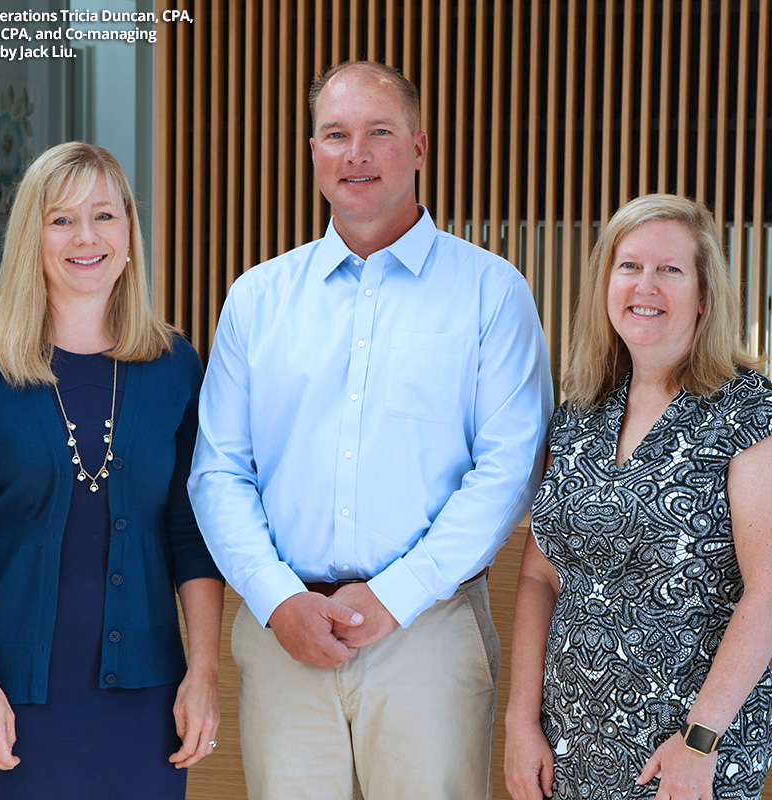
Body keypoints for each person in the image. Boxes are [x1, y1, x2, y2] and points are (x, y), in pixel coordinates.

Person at [188, 61, 554, 800]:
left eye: (378, 133)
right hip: (284, 632)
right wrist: (274, 597)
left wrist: (396, 593)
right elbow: (218, 471)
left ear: (418, 148)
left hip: (428, 630)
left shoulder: (490, 292)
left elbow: (510, 472)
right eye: (336, 134)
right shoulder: (257, 299)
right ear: (314, 151)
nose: (356, 153)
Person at [0, 141, 224, 799]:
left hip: (145, 703)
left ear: (129, 233)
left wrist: (202, 675)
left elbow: (192, 537)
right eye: (61, 219)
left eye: (104, 216)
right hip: (6, 698)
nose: (85, 237)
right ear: (33, 235)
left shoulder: (175, 365)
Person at [504, 194, 772, 800]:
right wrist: (520, 719)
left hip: (686, 752)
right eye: (629, 266)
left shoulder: (748, 413)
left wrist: (700, 739)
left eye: (670, 269)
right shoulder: (581, 411)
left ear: (703, 294)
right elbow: (541, 574)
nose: (647, 284)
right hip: (571, 743)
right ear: (606, 285)